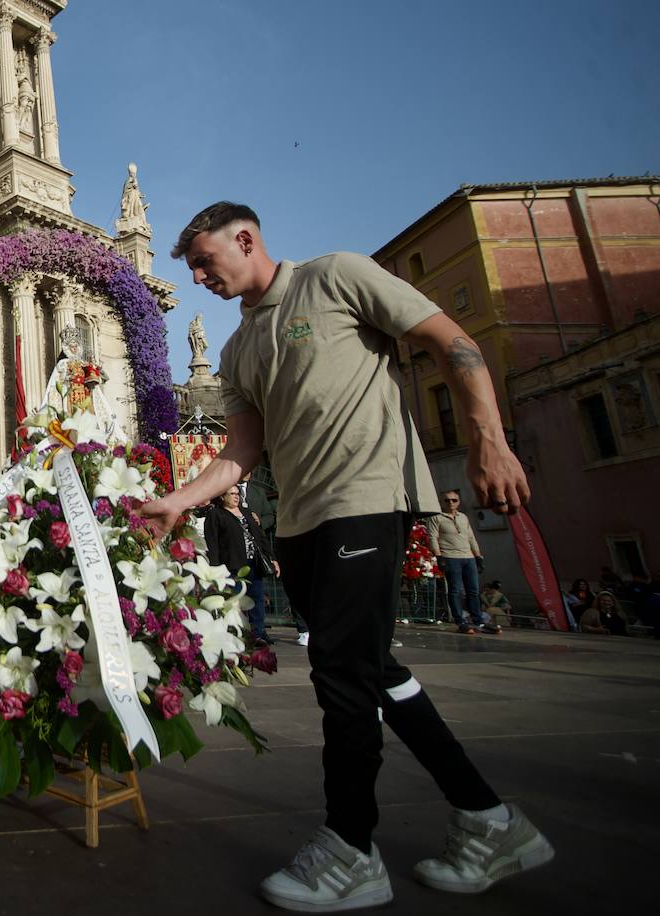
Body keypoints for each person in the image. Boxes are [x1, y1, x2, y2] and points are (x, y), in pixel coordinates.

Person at [140, 202, 552, 911]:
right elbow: (243, 449)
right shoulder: (238, 351)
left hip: (364, 500)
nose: (201, 276)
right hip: (301, 523)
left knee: (341, 677)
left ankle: (351, 849)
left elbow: (453, 342)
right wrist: (180, 499)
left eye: (207, 260)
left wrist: (488, 436)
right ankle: (489, 820)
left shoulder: (336, 279)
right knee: (374, 669)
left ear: (247, 238)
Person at [205, 485, 280, 645]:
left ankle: (257, 634)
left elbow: (260, 538)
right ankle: (236, 634)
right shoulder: (215, 515)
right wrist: (216, 568)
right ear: (222, 497)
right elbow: (213, 544)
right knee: (234, 601)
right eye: (231, 494)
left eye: (237, 493)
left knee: (257, 599)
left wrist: (272, 558)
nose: (236, 496)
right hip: (232, 565)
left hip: (253, 562)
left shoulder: (246, 513)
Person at [428, 489, 500, 634]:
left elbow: (471, 537)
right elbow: (433, 537)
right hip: (450, 556)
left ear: (459, 502)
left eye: (454, 500)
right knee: (456, 590)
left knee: (473, 590)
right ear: (441, 502)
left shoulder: (463, 517)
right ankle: (460, 621)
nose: (450, 503)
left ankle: (478, 621)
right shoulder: (436, 517)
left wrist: (478, 556)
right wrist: (439, 556)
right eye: (447, 500)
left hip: (468, 557)